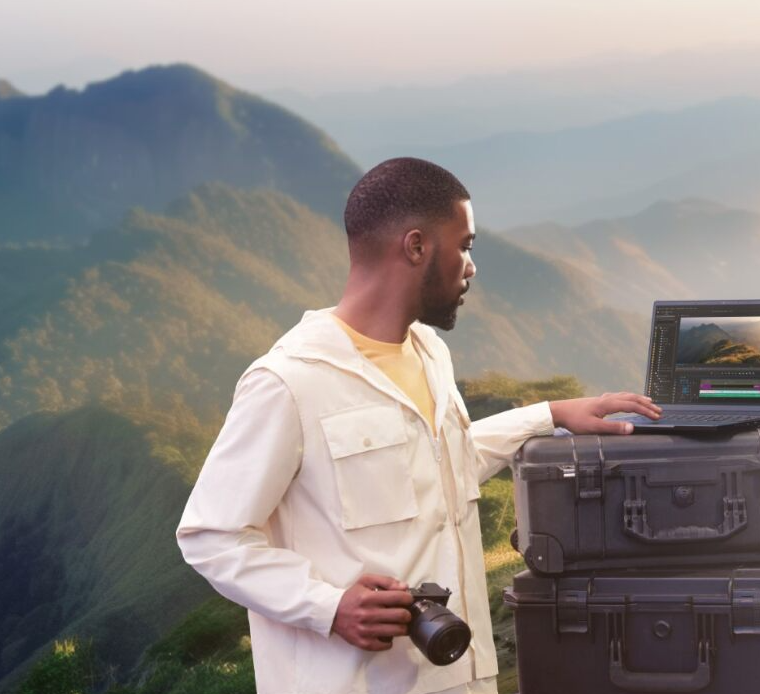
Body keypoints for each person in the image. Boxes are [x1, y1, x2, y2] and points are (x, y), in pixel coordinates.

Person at [176, 157, 661, 694]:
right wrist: (328, 606)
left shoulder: (429, 351)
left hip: (460, 677)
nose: (471, 267)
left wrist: (549, 415)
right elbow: (211, 536)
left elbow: (441, 469)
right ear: (415, 247)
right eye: (466, 245)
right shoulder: (288, 382)